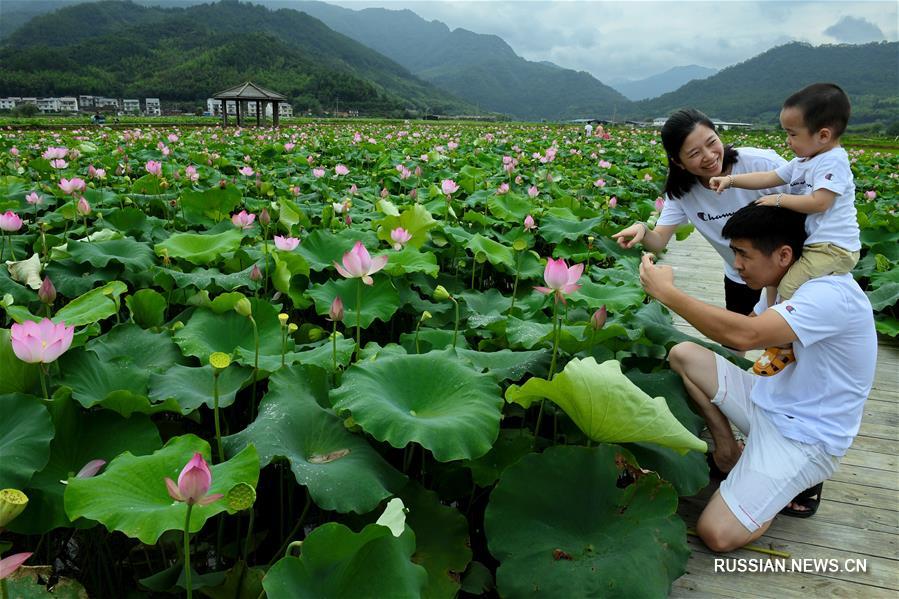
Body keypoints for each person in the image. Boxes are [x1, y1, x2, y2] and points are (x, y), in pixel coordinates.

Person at [638, 203, 876, 552]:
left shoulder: (829, 295)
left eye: (743, 255)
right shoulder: (789, 282)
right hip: (767, 401)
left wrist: (668, 294)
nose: (736, 265)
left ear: (783, 254)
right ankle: (729, 452)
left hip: (805, 438)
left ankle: (785, 488)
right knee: (685, 355)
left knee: (716, 533)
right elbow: (745, 328)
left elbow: (745, 336)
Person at [709, 83, 860, 377]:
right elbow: (769, 176)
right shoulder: (804, 161)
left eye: (792, 134)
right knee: (776, 283)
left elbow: (820, 202)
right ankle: (771, 326)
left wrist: (778, 199)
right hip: (815, 243)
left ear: (823, 135)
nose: (787, 141)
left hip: (833, 247)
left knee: (789, 287)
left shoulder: (833, 161)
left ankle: (783, 344)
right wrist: (730, 181)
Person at [612, 109, 789, 319]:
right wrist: (643, 229)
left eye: (712, 142)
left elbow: (816, 206)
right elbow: (658, 241)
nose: (709, 156)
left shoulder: (762, 164)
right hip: (740, 272)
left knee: (787, 341)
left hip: (788, 268)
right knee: (735, 342)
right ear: (678, 162)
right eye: (694, 153)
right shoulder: (682, 192)